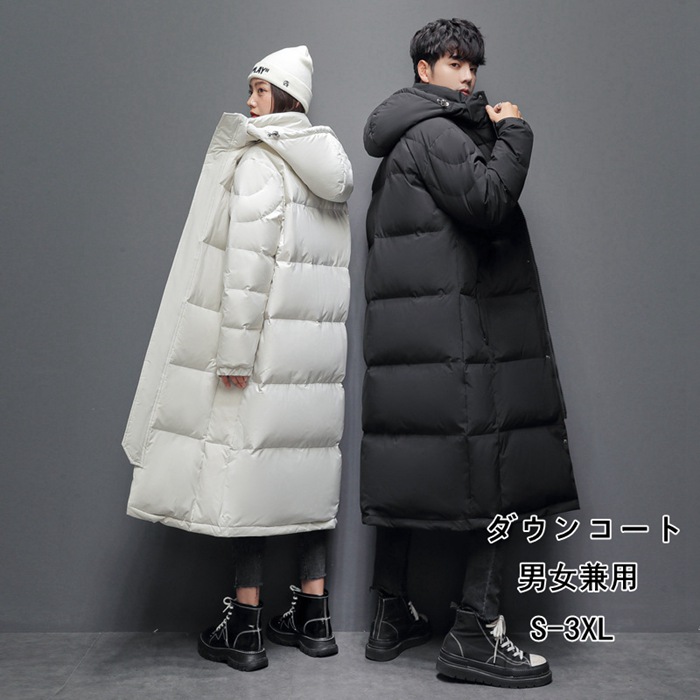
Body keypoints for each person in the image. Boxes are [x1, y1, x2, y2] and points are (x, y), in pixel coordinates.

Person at [360, 19, 578, 688]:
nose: (468, 76)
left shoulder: (407, 138)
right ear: (424, 70)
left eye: (472, 65)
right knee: (496, 477)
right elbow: (487, 203)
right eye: (454, 63)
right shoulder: (437, 134)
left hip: (417, 346)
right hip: (458, 346)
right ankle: (475, 633)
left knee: (409, 469)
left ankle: (390, 615)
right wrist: (516, 134)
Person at [122, 45, 353, 672]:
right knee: (304, 482)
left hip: (259, 355)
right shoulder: (328, 171)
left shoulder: (261, 162)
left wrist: (232, 356)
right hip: (315, 365)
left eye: (259, 90)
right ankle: (314, 618)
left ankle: (246, 628)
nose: (249, 101)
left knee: (244, 481)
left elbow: (246, 273)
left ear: (285, 97)